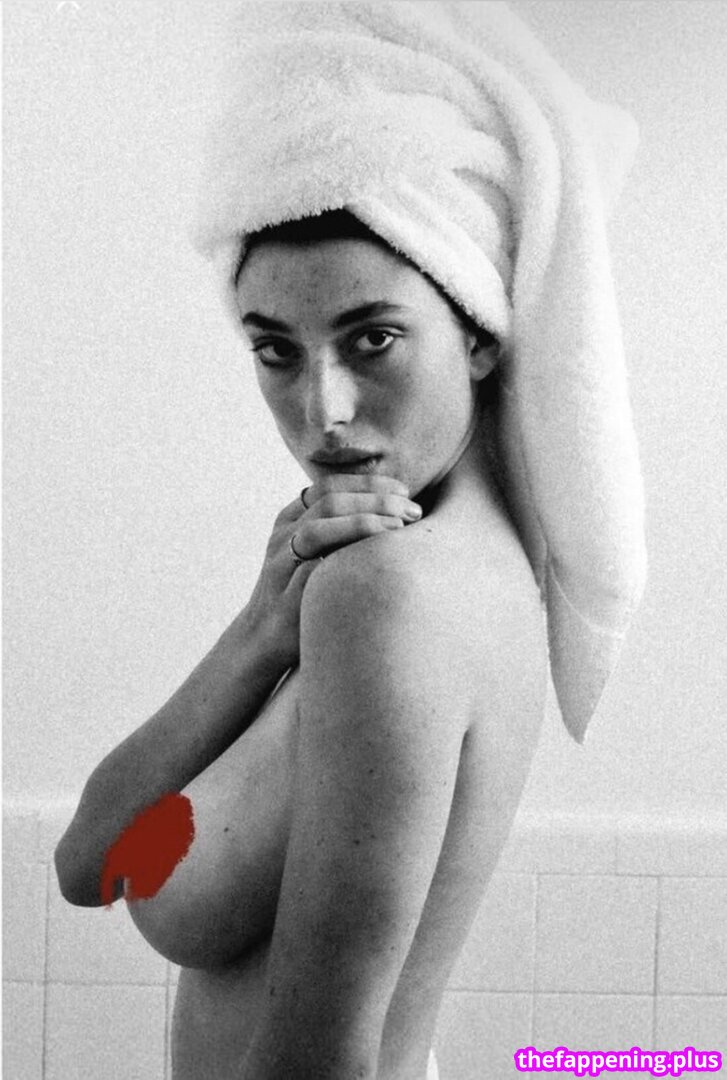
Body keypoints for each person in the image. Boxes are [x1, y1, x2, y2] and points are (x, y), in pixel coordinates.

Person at [55, 3, 647, 1078]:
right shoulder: (411, 569)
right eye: (275, 351)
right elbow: (87, 863)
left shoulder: (390, 594)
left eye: (371, 338)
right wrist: (259, 627)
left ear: (476, 329)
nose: (324, 411)